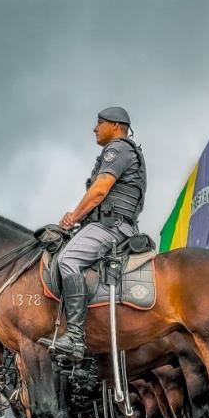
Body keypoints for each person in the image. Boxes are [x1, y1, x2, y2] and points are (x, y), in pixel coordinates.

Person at [39, 107, 147, 360]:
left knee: (68, 259)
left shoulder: (118, 148)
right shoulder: (127, 151)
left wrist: (72, 217)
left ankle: (75, 336)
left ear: (117, 126)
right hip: (115, 225)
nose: (95, 128)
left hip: (111, 227)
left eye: (100, 122)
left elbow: (99, 191)